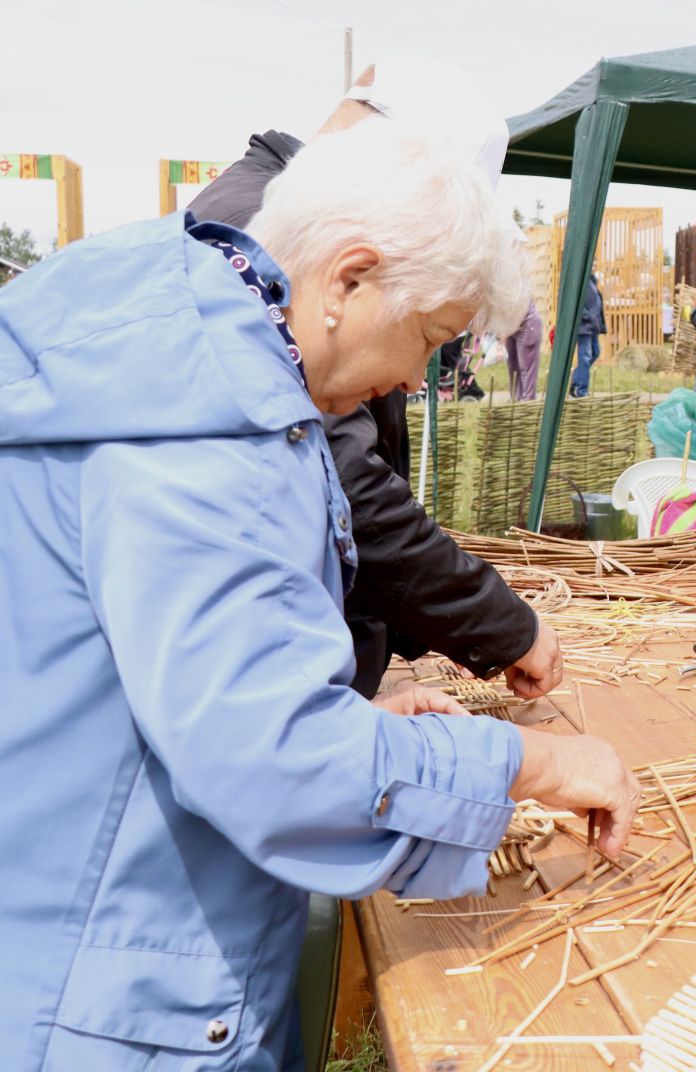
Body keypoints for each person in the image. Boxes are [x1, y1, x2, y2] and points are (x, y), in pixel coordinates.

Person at [0, 120, 640, 1071]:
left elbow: (164, 666)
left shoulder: (161, 343)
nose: (416, 378)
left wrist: (356, 707)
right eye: (428, 337)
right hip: (111, 991)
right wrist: (528, 762)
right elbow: (272, 754)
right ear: (348, 278)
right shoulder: (205, 430)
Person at [188, 57, 561, 699]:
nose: (415, 380)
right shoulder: (254, 254)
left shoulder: (252, 235)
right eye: (424, 336)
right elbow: (343, 478)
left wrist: (360, 727)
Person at [570, 272, 606, 397]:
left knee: (595, 352)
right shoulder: (580, 280)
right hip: (584, 325)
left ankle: (574, 378)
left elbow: (597, 304)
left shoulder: (592, 282)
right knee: (585, 357)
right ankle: (582, 391)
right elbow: (575, 302)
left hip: (593, 326)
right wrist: (588, 316)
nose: (594, 264)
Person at [505, 298, 542, 400]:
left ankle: (528, 403)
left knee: (526, 368)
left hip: (527, 323)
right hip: (511, 324)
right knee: (512, 366)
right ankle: (515, 401)